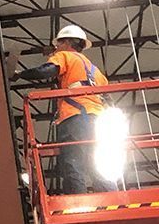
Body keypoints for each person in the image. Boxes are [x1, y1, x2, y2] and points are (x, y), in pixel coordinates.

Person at [10, 24, 108, 194]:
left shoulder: (65, 56)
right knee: (98, 162)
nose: (56, 48)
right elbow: (108, 97)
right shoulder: (94, 70)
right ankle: (114, 199)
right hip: (98, 119)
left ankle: (80, 205)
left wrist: (20, 74)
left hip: (76, 116)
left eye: (59, 43)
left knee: (73, 161)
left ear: (67, 42)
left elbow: (46, 71)